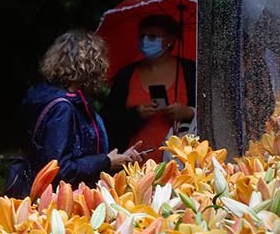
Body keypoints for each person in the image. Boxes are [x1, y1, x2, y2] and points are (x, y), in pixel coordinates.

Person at [14, 30, 142, 191]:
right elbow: (59, 168)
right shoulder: (63, 107)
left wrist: (116, 158)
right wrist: (106, 161)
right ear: (92, 66)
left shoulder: (45, 94)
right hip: (62, 198)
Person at [104, 14, 196, 153]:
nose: (146, 41)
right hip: (132, 165)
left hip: (179, 163)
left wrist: (188, 112)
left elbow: (211, 114)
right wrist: (136, 114)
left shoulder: (191, 71)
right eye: (142, 36)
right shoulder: (126, 74)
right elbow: (109, 120)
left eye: (153, 36)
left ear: (170, 39)